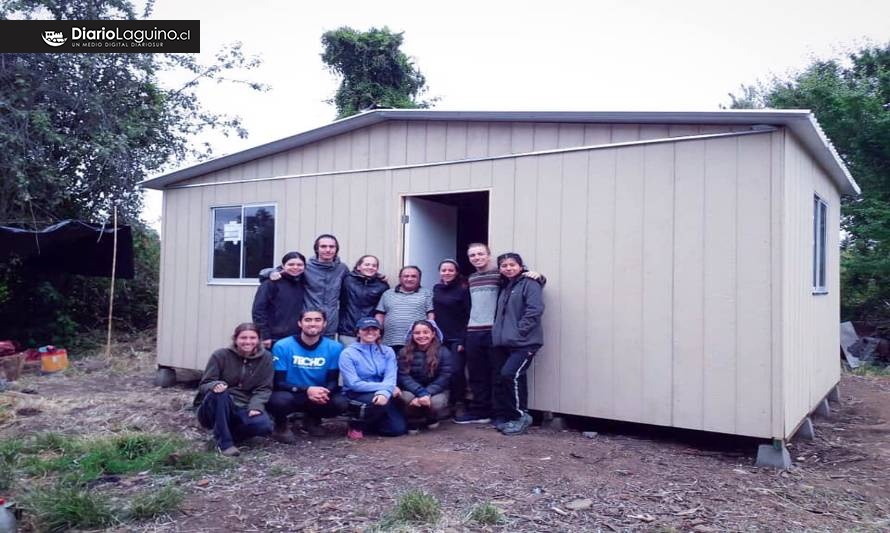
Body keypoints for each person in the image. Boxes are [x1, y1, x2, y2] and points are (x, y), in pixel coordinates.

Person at [454, 243, 544, 425]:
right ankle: (480, 411)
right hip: (473, 332)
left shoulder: (500, 275)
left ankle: (500, 413)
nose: (477, 258)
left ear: (488, 256)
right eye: (472, 255)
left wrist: (540, 276)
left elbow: (521, 281)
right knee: (476, 374)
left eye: (480, 254)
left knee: (498, 374)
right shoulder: (470, 278)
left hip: (495, 332)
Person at [266, 310, 348, 443]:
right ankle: (280, 426)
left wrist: (323, 392)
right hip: (291, 392)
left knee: (341, 402)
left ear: (324, 324)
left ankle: (312, 420)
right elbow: (278, 382)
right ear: (300, 323)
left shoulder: (334, 347)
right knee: (280, 400)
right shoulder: (283, 345)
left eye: (317, 320)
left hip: (317, 394)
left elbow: (332, 380)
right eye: (308, 320)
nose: (313, 324)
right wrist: (306, 390)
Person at [195, 323, 274, 456]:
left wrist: (256, 405)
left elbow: (264, 387)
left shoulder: (266, 358)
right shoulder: (220, 355)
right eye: (243, 338)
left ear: (258, 339)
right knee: (221, 393)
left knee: (264, 426)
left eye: (252, 338)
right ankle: (225, 444)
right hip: (216, 405)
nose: (248, 341)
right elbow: (205, 384)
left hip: (243, 405)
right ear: (235, 339)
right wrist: (215, 385)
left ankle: (225, 432)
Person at [491, 253, 545, 436]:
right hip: (506, 343)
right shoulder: (506, 286)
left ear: (521, 266)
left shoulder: (530, 283)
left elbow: (535, 309)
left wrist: (520, 332)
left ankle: (520, 417)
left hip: (525, 343)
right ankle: (514, 417)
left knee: (509, 375)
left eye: (512, 264)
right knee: (513, 378)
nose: (508, 268)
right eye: (504, 265)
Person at [338, 317, 406, 439]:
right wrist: (387, 388)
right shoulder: (348, 353)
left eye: (374, 329)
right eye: (365, 329)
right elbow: (354, 383)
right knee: (375, 400)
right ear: (358, 332)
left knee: (397, 429)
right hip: (356, 393)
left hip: (382, 393)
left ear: (379, 332)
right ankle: (356, 425)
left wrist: (384, 392)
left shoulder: (388, 351)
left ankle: (369, 423)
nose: (370, 332)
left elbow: (390, 377)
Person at [397, 320, 455, 433]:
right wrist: (421, 393)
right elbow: (403, 376)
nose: (421, 336)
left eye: (425, 332)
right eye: (417, 333)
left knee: (436, 402)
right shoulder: (404, 352)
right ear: (412, 335)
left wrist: (427, 393)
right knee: (405, 397)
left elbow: (445, 376)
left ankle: (431, 417)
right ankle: (413, 419)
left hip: (436, 390)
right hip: (412, 390)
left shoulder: (444, 352)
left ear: (433, 334)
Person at [432, 259, 470, 412]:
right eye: (444, 270)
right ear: (440, 272)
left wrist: (463, 339)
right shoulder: (436, 288)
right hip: (440, 338)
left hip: (457, 338)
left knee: (456, 370)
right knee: (439, 370)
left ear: (456, 272)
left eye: (450, 270)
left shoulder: (463, 290)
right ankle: (445, 403)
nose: (447, 273)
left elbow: (469, 315)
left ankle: (460, 402)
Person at [252, 251, 306, 349]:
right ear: (283, 266)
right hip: (275, 337)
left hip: (298, 336)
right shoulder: (270, 283)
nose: (295, 267)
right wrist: (264, 335)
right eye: (291, 264)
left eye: (299, 265)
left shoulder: (304, 282)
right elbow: (258, 311)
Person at [375, 266, 434, 353]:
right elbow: (380, 315)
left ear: (419, 279)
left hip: (417, 343)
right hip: (390, 342)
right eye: (406, 276)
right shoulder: (387, 294)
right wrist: (377, 333)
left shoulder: (427, 293)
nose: (409, 279)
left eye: (414, 276)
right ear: (400, 278)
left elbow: (431, 316)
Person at [339, 255, 390, 346]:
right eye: (367, 264)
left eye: (374, 265)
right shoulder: (347, 280)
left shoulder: (382, 286)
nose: (370, 267)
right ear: (358, 267)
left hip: (370, 331)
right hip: (348, 331)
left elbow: (382, 311)